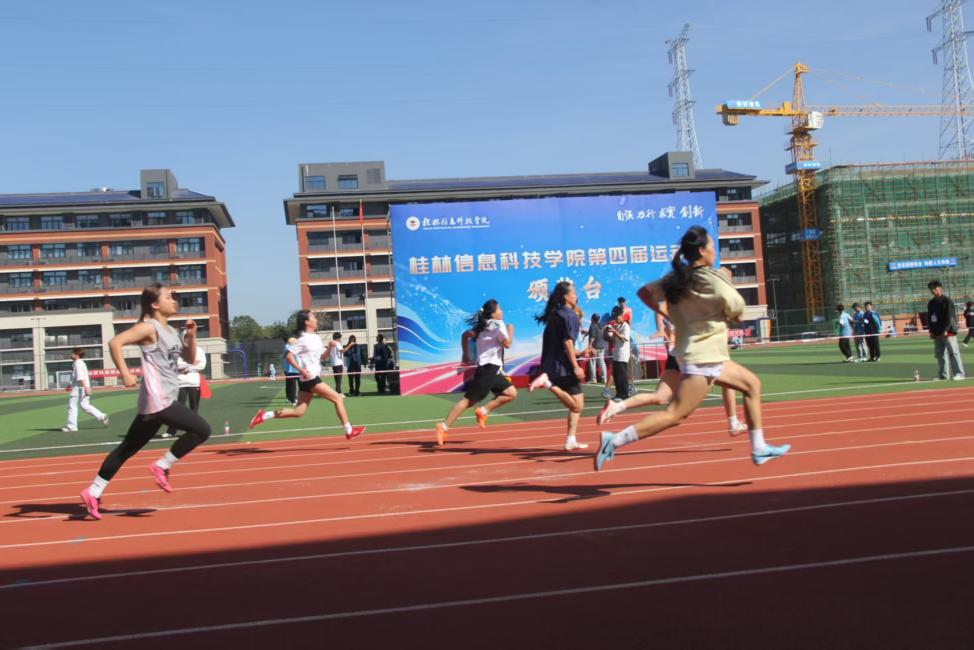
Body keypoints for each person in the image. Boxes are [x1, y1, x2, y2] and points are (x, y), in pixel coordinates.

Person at [593, 226, 790, 471]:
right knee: (675, 414)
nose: (715, 251)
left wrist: (664, 311)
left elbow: (644, 292)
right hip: (703, 358)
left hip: (700, 355)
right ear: (702, 251)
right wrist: (724, 302)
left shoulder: (677, 279)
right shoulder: (713, 280)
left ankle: (759, 448)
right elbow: (738, 313)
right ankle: (614, 440)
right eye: (712, 247)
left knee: (751, 385)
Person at [79, 283, 212, 520]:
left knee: (127, 448)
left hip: (157, 401)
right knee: (202, 429)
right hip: (159, 399)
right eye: (169, 297)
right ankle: (162, 465)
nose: (174, 301)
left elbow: (190, 359)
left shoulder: (171, 331)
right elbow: (115, 343)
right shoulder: (149, 327)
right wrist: (125, 373)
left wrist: (191, 337)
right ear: (155, 304)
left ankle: (93, 491)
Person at [598, 300, 749, 437]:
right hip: (695, 353)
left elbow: (659, 307)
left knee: (660, 396)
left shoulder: (678, 303)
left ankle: (617, 407)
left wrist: (661, 329)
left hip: (677, 352)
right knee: (678, 413)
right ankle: (734, 424)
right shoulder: (697, 301)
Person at [249, 310, 366, 438]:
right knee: (338, 398)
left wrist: (330, 347)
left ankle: (263, 416)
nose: (316, 319)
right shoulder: (303, 340)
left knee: (298, 412)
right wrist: (301, 370)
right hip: (310, 378)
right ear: (307, 322)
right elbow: (289, 356)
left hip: (308, 380)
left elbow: (322, 357)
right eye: (313, 317)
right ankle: (349, 431)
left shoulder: (316, 338)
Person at [435, 300, 517, 446]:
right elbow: (507, 344)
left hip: (492, 369)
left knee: (511, 393)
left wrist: (465, 355)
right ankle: (443, 426)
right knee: (468, 401)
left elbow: (465, 335)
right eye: (499, 309)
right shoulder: (499, 325)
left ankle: (483, 411)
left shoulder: (482, 326)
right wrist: (511, 331)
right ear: (493, 313)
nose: (502, 311)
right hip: (488, 370)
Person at [528, 281, 593, 451]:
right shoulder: (570, 316)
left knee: (576, 406)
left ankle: (571, 440)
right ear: (566, 297)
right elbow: (567, 343)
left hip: (552, 364)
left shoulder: (556, 315)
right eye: (574, 293)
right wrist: (576, 366)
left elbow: (562, 344)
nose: (576, 296)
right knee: (577, 406)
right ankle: (548, 384)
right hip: (564, 366)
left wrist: (581, 352)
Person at [161, 339, 206, 439]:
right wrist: (192, 363)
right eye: (185, 339)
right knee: (177, 409)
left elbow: (201, 365)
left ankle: (193, 430)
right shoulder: (178, 352)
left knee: (194, 409)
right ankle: (171, 431)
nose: (188, 342)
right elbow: (177, 365)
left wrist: (187, 368)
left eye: (190, 339)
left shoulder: (199, 350)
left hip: (194, 383)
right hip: (180, 383)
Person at [62, 348, 109, 432]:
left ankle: (72, 426)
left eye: (73, 353)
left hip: (78, 389)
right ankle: (102, 416)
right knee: (85, 405)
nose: (71, 354)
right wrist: (72, 385)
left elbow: (80, 377)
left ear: (77, 355)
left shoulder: (77, 363)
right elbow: (79, 377)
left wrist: (85, 388)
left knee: (72, 406)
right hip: (83, 387)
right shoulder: (80, 363)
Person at [927, 280, 965, 380]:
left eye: (934, 288)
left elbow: (950, 316)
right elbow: (930, 317)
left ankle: (959, 373)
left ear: (939, 288)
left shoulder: (947, 301)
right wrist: (931, 331)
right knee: (940, 355)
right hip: (936, 332)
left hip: (948, 331)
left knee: (953, 352)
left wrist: (946, 329)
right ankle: (943, 376)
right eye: (931, 289)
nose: (932, 291)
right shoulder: (931, 303)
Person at [604, 306, 631, 400]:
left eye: (617, 317)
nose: (615, 319)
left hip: (622, 354)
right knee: (616, 375)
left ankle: (624, 394)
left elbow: (624, 339)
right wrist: (606, 332)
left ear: (621, 315)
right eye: (614, 318)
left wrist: (614, 331)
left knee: (622, 376)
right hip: (617, 354)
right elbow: (611, 338)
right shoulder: (618, 326)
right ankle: (619, 394)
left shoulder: (626, 326)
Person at [585, 313, 607, 384]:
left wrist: (590, 345)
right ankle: (604, 378)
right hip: (601, 346)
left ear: (592, 318)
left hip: (594, 347)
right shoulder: (601, 325)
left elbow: (593, 336)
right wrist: (587, 332)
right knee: (601, 362)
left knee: (592, 362)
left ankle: (593, 379)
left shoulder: (592, 325)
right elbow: (595, 332)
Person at [283, 336, 301, 406]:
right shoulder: (288, 347)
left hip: (296, 369)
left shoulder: (293, 346)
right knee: (291, 385)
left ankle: (294, 398)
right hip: (291, 369)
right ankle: (292, 399)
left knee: (299, 385)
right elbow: (286, 356)